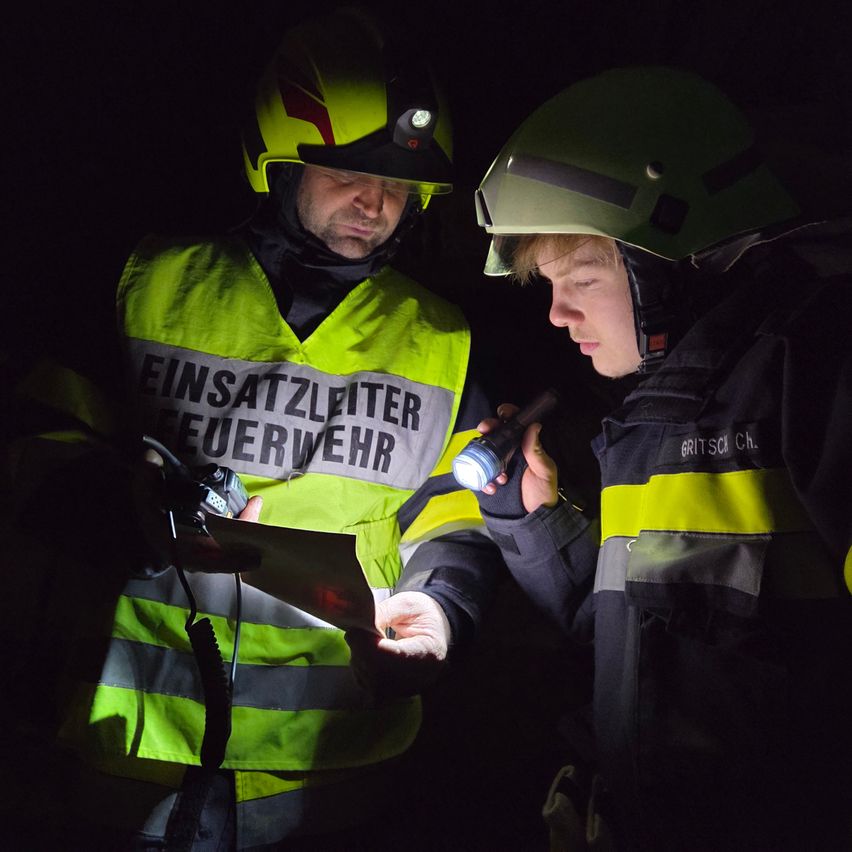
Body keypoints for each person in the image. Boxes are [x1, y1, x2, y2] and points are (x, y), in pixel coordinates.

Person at [3, 7, 503, 849]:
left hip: (338, 768)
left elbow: (458, 510)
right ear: (275, 163)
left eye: (400, 185)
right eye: (347, 170)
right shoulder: (151, 284)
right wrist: (126, 510)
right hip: (136, 750)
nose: (376, 202)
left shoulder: (441, 340)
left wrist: (442, 606)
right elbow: (38, 446)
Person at [471, 66, 852, 851]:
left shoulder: (809, 368)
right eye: (547, 282)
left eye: (581, 276)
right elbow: (635, 641)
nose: (555, 311)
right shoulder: (654, 424)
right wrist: (536, 518)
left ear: (674, 260)